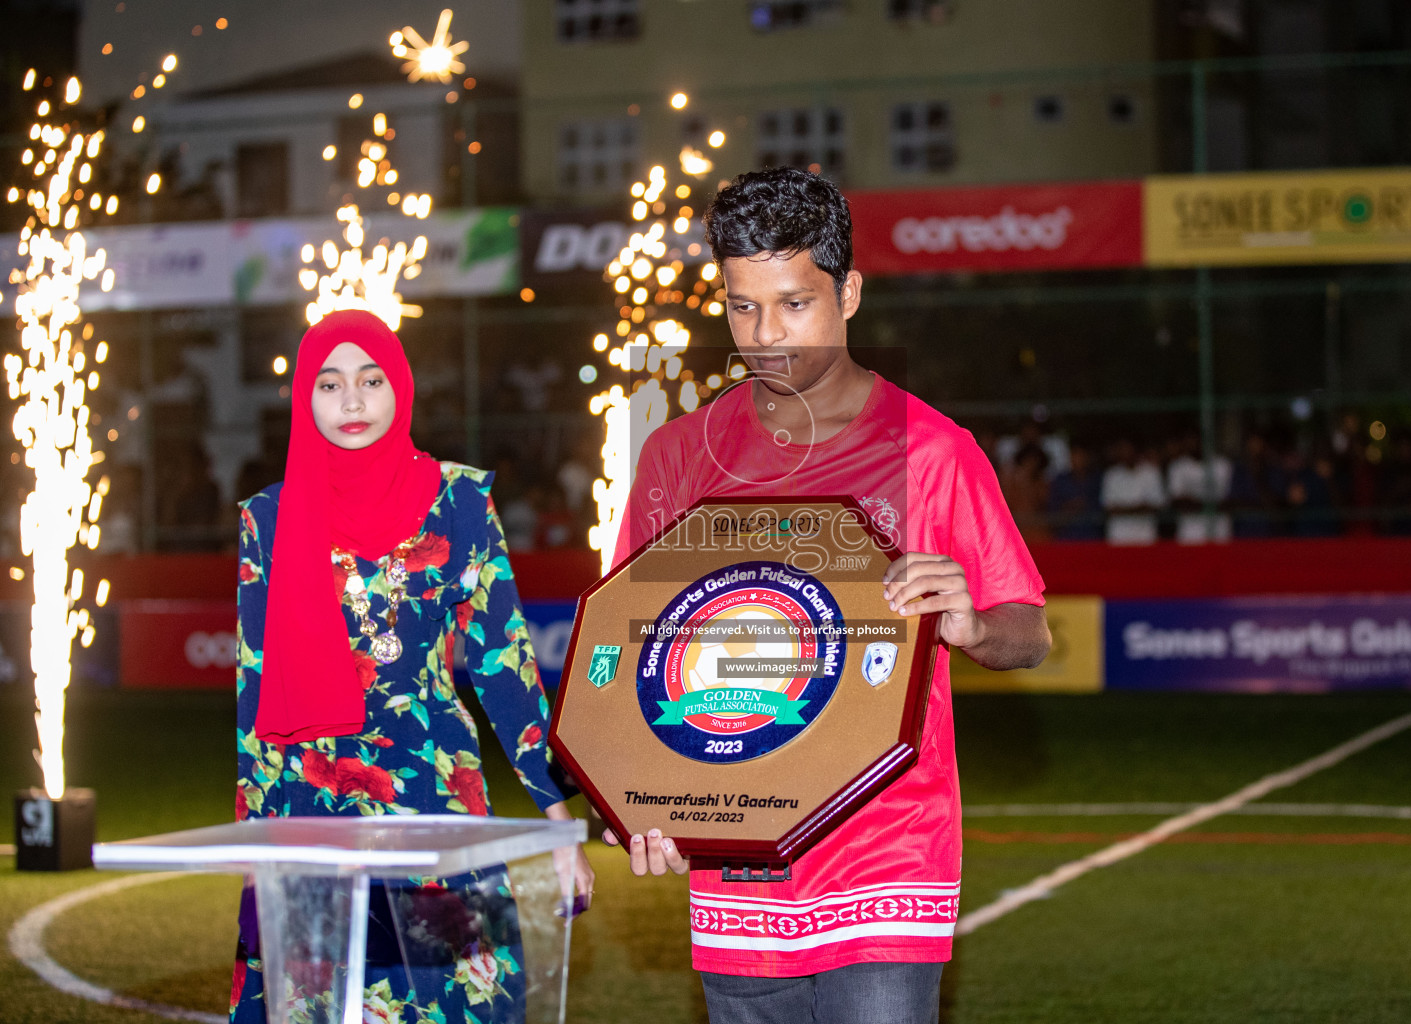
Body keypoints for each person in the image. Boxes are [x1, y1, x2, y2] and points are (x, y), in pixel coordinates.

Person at [606, 168, 1052, 1023]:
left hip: (889, 851)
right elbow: (633, 655)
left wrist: (969, 624)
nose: (767, 336)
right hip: (737, 853)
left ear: (848, 292)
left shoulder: (933, 450)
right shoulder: (677, 456)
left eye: (794, 304)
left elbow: (1026, 631)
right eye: (743, 307)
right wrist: (642, 799)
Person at [230, 310, 593, 1023]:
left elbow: (504, 665)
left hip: (433, 784)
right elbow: (254, 686)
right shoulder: (266, 520)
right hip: (311, 792)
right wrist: (253, 849)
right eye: (330, 384)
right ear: (304, 398)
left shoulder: (459, 501)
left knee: (452, 1000)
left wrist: (556, 822)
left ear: (400, 387)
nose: (354, 400)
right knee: (323, 1004)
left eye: (370, 380)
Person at [1100, 438, 1166, 544]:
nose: (1125, 453)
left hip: (1146, 536)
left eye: (1128, 449)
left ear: (1137, 450)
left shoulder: (1151, 472)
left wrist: (1124, 508)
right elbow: (1109, 508)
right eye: (1122, 449)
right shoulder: (1111, 475)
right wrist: (1139, 507)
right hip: (1119, 537)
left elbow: (1157, 505)